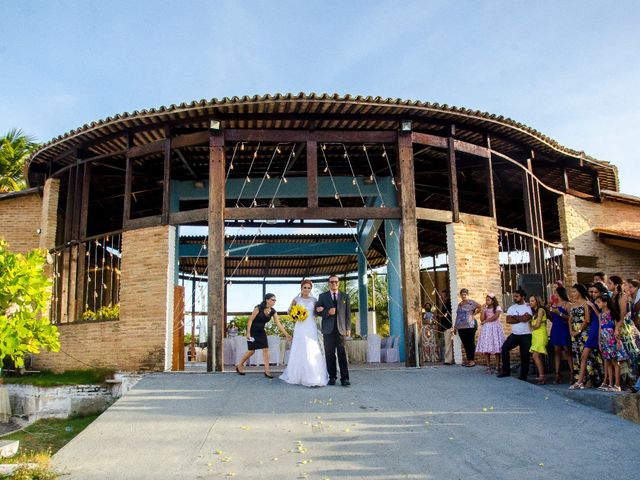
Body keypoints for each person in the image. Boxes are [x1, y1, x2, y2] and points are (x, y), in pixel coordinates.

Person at [280, 280, 329, 387]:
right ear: (301, 288)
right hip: (300, 326)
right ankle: (297, 375)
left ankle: (314, 375)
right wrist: (295, 314)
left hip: (310, 325)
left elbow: (316, 313)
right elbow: (289, 311)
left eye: (308, 288)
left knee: (311, 347)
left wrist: (320, 310)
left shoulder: (314, 300)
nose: (306, 290)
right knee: (300, 347)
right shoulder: (296, 300)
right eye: (304, 287)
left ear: (311, 289)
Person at [235, 293, 291, 378]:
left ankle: (267, 370)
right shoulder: (258, 308)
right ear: (267, 300)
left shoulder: (273, 311)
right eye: (272, 300)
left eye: (275, 300)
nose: (274, 301)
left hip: (261, 331)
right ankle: (239, 365)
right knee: (251, 351)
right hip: (253, 331)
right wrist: (248, 333)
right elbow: (250, 320)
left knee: (266, 349)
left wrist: (287, 334)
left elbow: (278, 324)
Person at [316, 275, 351, 386]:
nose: (334, 283)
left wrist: (348, 328)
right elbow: (317, 311)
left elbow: (348, 314)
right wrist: (327, 312)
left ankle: (345, 378)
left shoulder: (345, 296)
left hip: (341, 329)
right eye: (331, 282)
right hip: (328, 330)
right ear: (328, 283)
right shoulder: (322, 296)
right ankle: (332, 377)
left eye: (336, 281)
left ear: (338, 283)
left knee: (342, 354)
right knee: (329, 354)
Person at [568, 283, 602, 389]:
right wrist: (571, 331)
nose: (572, 294)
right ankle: (579, 379)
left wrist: (578, 330)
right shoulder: (572, 305)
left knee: (587, 356)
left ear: (580, 291)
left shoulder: (586, 303)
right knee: (577, 355)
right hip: (574, 334)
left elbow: (587, 320)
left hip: (584, 333)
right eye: (571, 292)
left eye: (574, 291)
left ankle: (590, 379)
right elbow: (570, 319)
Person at [595, 293, 628, 392]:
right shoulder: (600, 315)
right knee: (608, 361)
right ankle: (610, 383)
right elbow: (600, 328)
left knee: (615, 361)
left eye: (599, 302)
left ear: (605, 303)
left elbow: (617, 328)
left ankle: (617, 384)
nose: (597, 304)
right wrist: (599, 342)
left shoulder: (612, 313)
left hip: (612, 339)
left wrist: (618, 341)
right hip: (604, 340)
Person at [497, 289, 533, 380]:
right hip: (515, 334)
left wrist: (514, 317)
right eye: (514, 296)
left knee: (525, 355)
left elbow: (527, 318)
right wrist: (521, 317)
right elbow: (508, 320)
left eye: (517, 296)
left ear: (522, 297)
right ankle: (506, 371)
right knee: (504, 348)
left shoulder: (528, 307)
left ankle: (523, 376)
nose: (514, 298)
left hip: (526, 334)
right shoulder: (512, 308)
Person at [476, 293, 505, 374]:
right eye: (486, 300)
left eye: (488, 300)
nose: (486, 301)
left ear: (493, 301)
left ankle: (498, 366)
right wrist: (482, 311)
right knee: (487, 348)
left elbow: (495, 317)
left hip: (495, 328)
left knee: (496, 348)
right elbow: (482, 320)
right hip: (487, 329)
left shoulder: (497, 308)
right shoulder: (485, 308)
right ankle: (488, 366)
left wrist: (486, 321)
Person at [549, 286, 572, 384]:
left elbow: (570, 318)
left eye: (556, 292)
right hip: (555, 328)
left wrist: (559, 313)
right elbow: (552, 318)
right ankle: (557, 374)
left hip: (564, 328)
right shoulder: (554, 304)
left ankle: (572, 373)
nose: (554, 294)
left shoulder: (567, 304)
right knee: (556, 351)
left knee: (567, 350)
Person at [454, 288, 480, 367]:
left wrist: (474, 314)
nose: (464, 296)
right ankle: (469, 360)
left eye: (465, 294)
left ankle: (472, 360)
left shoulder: (471, 303)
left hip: (470, 326)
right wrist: (455, 327)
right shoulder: (460, 304)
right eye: (462, 294)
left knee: (470, 343)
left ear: (467, 295)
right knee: (465, 344)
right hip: (461, 327)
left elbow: (481, 307)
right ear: (460, 295)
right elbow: (458, 316)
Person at [529, 295, 549, 384]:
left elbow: (537, 325)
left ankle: (541, 376)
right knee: (537, 356)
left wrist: (530, 326)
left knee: (535, 356)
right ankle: (542, 377)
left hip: (540, 334)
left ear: (537, 301)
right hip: (535, 335)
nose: (530, 303)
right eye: (530, 301)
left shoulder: (541, 310)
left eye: (532, 301)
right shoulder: (534, 311)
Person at [440, 290, 454, 365]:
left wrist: (441, 315)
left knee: (448, 343)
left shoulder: (448, 304)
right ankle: (448, 359)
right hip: (445, 326)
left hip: (448, 325)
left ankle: (448, 360)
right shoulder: (445, 303)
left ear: (447, 296)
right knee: (447, 342)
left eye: (442, 296)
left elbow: (447, 314)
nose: (441, 298)